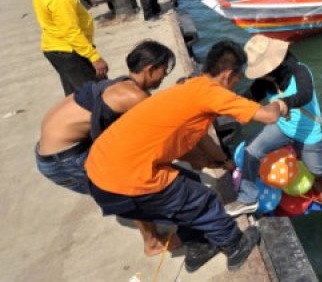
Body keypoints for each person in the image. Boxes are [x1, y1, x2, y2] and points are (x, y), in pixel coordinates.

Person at [84, 40, 289, 274]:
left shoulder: (189, 86)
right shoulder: (214, 93)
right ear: (228, 75)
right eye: (238, 79)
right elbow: (267, 116)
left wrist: (213, 160)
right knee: (204, 201)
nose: (236, 85)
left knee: (188, 184)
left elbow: (185, 140)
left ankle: (198, 249)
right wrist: (280, 104)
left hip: (98, 176)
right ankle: (234, 246)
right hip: (126, 182)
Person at [36, 41, 176, 256]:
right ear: (150, 70)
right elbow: (168, 130)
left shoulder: (118, 84)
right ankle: (152, 242)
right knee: (130, 186)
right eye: (163, 73)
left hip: (50, 149)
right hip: (63, 161)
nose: (163, 78)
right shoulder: (135, 97)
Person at [226, 36, 322, 216]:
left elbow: (305, 94)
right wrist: (227, 103)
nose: (260, 75)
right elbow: (249, 96)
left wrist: (285, 103)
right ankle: (247, 198)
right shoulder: (266, 81)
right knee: (251, 150)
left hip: (307, 132)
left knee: (315, 167)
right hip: (282, 128)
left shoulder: (300, 71)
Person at [32, 0, 109, 95]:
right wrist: (94, 57)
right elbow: (71, 31)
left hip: (56, 48)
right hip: (69, 50)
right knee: (95, 94)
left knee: (74, 93)